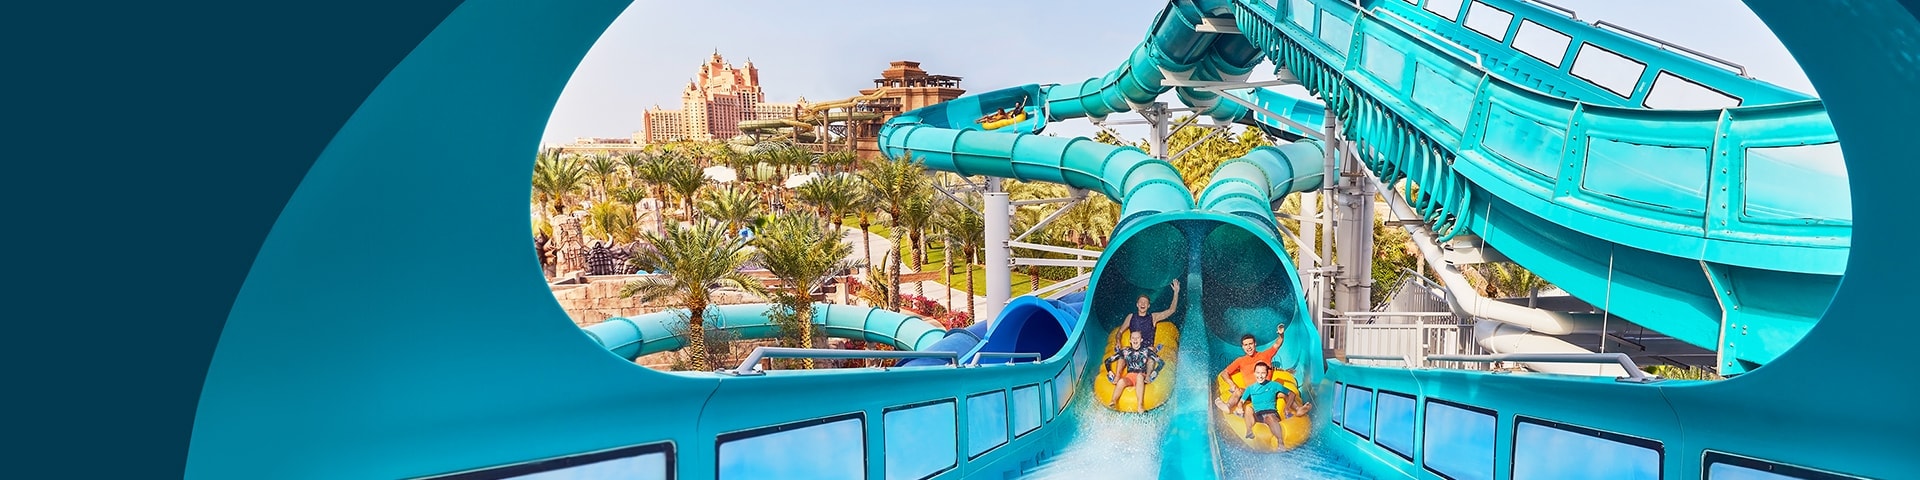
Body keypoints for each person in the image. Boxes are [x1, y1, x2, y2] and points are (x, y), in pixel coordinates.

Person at [1228, 362, 1310, 440]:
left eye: (1263, 373)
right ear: (1254, 373)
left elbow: (1292, 394)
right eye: (1258, 373)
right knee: (1248, 409)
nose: (1260, 376)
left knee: (1269, 417)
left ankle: (1280, 442)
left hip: (1271, 413)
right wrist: (1239, 406)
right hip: (1258, 414)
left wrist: (1287, 407)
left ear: (1267, 374)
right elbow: (1242, 401)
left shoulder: (1274, 385)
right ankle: (1249, 431)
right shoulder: (1250, 388)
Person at [1104, 330, 1161, 409]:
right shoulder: (1125, 352)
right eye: (1133, 338)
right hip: (1130, 377)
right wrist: (1109, 371)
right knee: (1121, 381)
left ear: (1141, 340)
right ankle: (1113, 401)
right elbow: (1107, 361)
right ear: (1130, 340)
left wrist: (1155, 372)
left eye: (1137, 338)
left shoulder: (1146, 351)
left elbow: (1161, 363)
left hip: (1142, 376)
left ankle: (1140, 405)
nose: (1135, 340)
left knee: (1139, 377)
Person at [1126, 279, 1181, 351]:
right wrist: (1118, 341)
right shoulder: (1131, 317)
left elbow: (1171, 310)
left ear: (1148, 305)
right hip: (1135, 349)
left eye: (1145, 302)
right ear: (1137, 304)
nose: (1143, 304)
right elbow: (1120, 332)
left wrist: (1176, 292)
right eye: (1141, 302)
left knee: (1150, 353)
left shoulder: (1153, 317)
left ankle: (1155, 350)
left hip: (1148, 350)